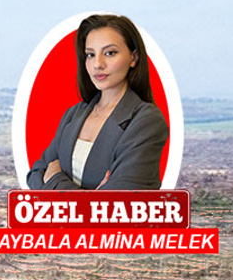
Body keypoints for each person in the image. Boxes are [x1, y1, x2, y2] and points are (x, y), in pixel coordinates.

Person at [26, 14, 168, 190]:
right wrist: (92, 197)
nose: (97, 64)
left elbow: (116, 207)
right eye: (90, 54)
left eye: (110, 53)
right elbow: (35, 174)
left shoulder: (146, 121)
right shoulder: (74, 114)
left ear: (134, 58)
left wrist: (55, 179)